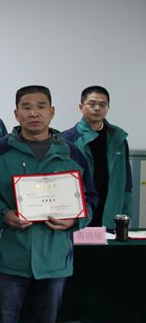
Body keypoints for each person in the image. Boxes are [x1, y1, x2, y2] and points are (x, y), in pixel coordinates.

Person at [0, 86, 97, 323]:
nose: (34, 113)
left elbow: (90, 198)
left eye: (41, 106)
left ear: (52, 112)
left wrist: (74, 220)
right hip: (9, 256)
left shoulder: (72, 153)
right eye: (27, 107)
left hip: (55, 258)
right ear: (16, 113)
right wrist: (4, 215)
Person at [62, 86, 132, 230]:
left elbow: (126, 182)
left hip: (111, 210)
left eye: (102, 104)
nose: (97, 108)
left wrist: (125, 214)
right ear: (81, 107)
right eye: (92, 104)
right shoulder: (67, 140)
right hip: (79, 214)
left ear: (108, 108)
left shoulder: (118, 138)